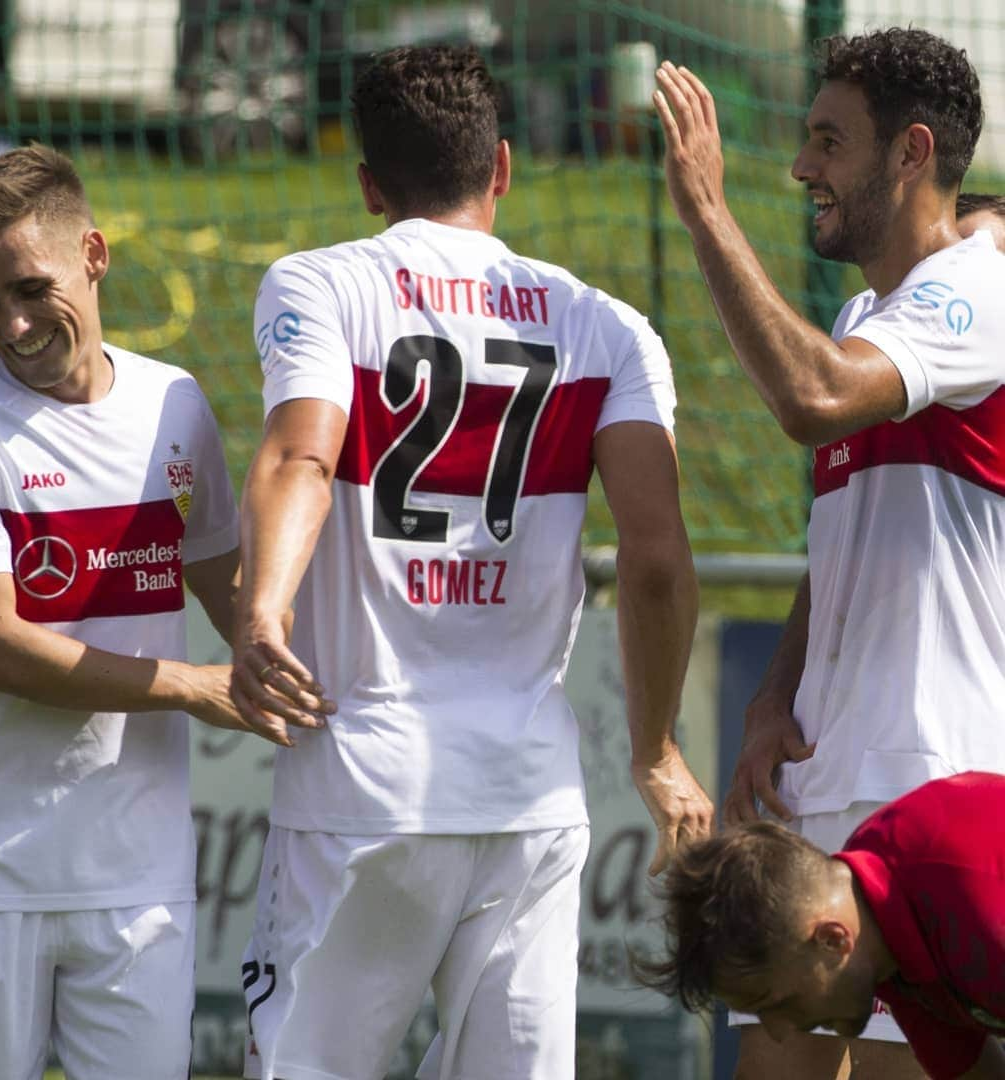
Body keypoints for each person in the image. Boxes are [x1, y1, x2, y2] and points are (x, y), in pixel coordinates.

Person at [230, 43, 712, 1080]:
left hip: (362, 780)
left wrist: (259, 616)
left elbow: (302, 454)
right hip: (528, 797)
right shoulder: (608, 324)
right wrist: (657, 751)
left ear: (369, 184)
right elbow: (658, 557)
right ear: (501, 165)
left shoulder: (318, 284)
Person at [653, 25, 1004, 1080]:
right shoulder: (867, 314)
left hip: (930, 765)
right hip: (832, 766)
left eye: (829, 141)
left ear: (914, 153)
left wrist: (708, 210)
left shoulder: (976, 295)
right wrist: (775, 699)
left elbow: (811, 398)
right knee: (773, 1059)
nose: (802, 165)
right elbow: (842, 548)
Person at [0, 144, 293, 1080]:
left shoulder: (175, 402)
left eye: (27, 288)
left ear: (93, 254)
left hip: (140, 885)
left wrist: (302, 665)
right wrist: (194, 687)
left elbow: (232, 592)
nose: (9, 324)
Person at [633, 772, 1005, 1080]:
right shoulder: (884, 923)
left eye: (777, 1004)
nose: (778, 1031)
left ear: (832, 939)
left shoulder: (975, 913)